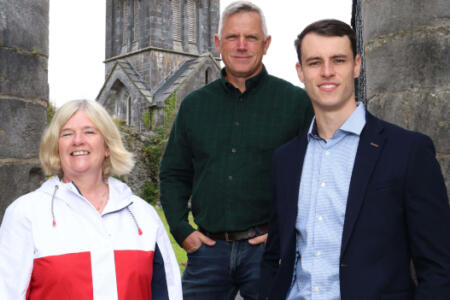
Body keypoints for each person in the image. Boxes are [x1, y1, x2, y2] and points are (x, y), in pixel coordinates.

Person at [259, 19, 450, 300]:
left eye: (338, 60)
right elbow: (275, 254)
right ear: (300, 72)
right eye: (314, 62)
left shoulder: (408, 151)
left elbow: (439, 268)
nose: (327, 72)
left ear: (357, 65)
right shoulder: (285, 160)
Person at [159, 1, 313, 299]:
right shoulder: (194, 106)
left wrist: (285, 232)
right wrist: (182, 230)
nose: (241, 46)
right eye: (232, 37)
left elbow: (313, 175)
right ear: (218, 43)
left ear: (266, 44)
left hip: (269, 252)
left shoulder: (295, 103)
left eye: (251, 38)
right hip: (207, 253)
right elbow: (174, 173)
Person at [0, 100, 182, 300]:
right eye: (67, 133)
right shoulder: (25, 214)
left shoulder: (143, 215)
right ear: (56, 147)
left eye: (89, 132)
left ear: (107, 146)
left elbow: (167, 292)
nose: (78, 140)